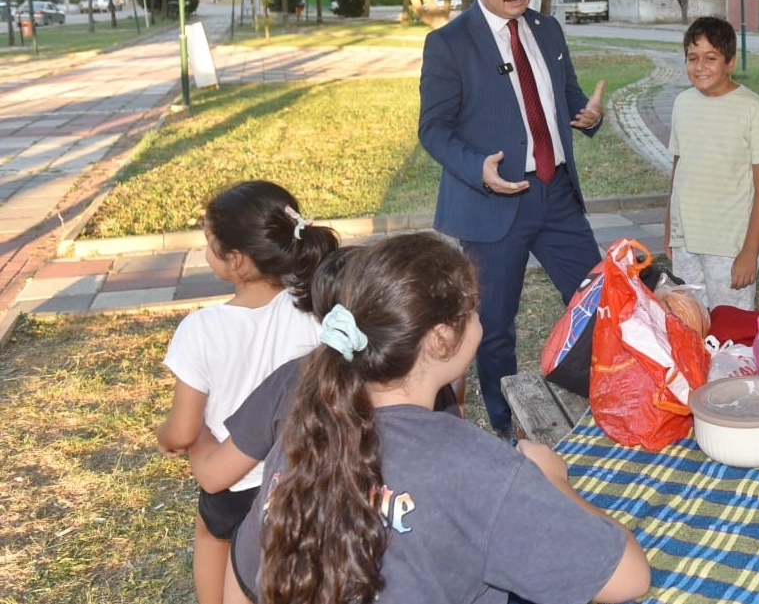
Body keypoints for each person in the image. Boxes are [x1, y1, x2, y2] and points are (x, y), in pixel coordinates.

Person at [228, 232, 650, 604]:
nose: (480, 320)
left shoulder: (303, 431)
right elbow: (627, 578)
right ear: (442, 338)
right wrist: (553, 482)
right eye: (473, 310)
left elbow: (245, 575)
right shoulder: (475, 467)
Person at [418, 0, 607, 437]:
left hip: (557, 195)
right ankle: (506, 431)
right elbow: (432, 129)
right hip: (491, 204)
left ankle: (604, 402)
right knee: (493, 328)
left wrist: (584, 113)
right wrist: (477, 166)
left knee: (600, 302)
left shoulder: (546, 29)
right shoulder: (448, 44)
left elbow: (563, 96)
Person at [156, 180, 339, 604]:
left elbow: (183, 431)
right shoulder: (315, 309)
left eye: (209, 241)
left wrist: (166, 438)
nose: (206, 248)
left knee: (212, 536)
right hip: (303, 475)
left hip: (233, 482)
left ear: (235, 260)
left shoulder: (201, 328)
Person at [186, 248, 465, 495]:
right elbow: (454, 463)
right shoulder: (421, 379)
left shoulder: (292, 380)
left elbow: (213, 476)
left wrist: (195, 433)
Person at [663, 16, 759, 309]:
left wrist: (750, 251)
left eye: (710, 58)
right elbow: (679, 169)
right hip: (686, 241)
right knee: (688, 325)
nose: (700, 67)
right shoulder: (682, 104)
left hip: (730, 247)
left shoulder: (753, 109)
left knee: (731, 332)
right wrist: (670, 228)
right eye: (693, 58)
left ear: (730, 62)